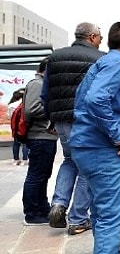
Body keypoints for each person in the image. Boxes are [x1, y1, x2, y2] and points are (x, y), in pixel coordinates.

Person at [68, 21, 120, 253]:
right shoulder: (119, 62)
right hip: (99, 148)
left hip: (85, 146)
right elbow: (96, 100)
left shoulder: (102, 62)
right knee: (112, 214)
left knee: (101, 212)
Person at [42, 22, 104, 234]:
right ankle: (77, 219)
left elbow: (45, 92)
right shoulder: (99, 58)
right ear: (93, 37)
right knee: (88, 167)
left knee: (69, 161)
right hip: (85, 121)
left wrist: (51, 118)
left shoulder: (55, 57)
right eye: (100, 37)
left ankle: (58, 204)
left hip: (60, 120)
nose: (101, 41)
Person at [22, 58, 57, 226]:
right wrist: (54, 110)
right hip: (40, 136)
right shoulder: (37, 84)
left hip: (45, 137)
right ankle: (32, 213)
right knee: (36, 176)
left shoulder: (42, 83)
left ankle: (42, 207)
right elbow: (31, 109)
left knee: (43, 175)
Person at [7, 88, 29, 166]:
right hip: (24, 126)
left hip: (15, 126)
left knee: (16, 143)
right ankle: (25, 159)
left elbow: (9, 116)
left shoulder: (11, 105)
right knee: (25, 143)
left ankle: (16, 159)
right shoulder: (26, 104)